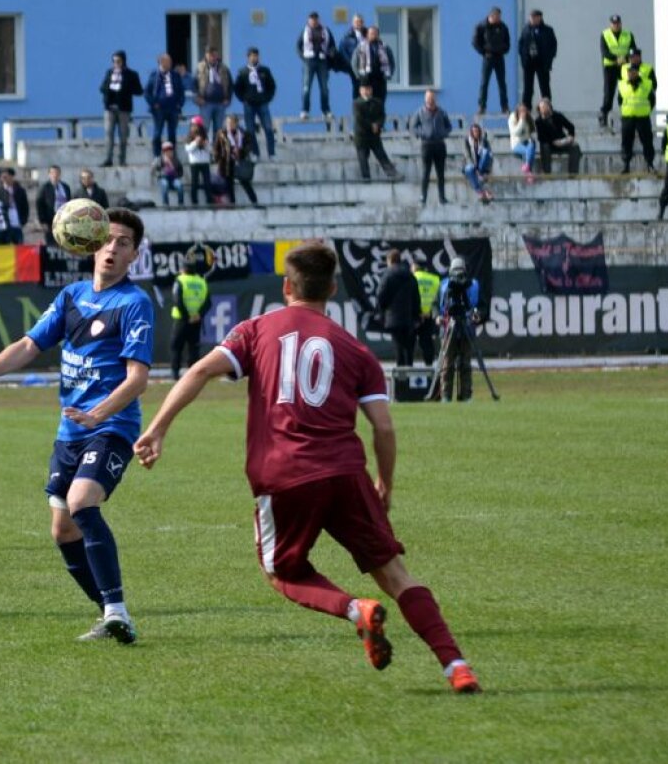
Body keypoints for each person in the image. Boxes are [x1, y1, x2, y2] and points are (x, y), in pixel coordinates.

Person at [133, 241, 482, 694]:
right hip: (346, 472)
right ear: (333, 289)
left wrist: (157, 429)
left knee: (281, 571)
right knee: (395, 574)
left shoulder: (256, 330)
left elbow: (199, 371)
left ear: (286, 287)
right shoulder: (355, 350)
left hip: (285, 473)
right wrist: (385, 483)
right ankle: (456, 665)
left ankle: (356, 610)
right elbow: (383, 427)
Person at [0, 208, 154, 644]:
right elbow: (28, 345)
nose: (112, 248)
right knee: (62, 530)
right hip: (70, 430)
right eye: (107, 239)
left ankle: (117, 609)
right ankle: (111, 615)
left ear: (135, 254)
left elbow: (137, 378)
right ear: (91, 244)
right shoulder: (72, 296)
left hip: (111, 426)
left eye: (123, 243)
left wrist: (99, 414)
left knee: (81, 503)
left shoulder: (135, 303)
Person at [437, 257, 481, 402]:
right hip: (448, 327)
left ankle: (466, 395)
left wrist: (477, 314)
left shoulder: (473, 285)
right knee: (447, 363)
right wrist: (438, 316)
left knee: (465, 363)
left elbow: (481, 305)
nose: (458, 276)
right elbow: (436, 305)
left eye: (460, 272)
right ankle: (446, 395)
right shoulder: (444, 285)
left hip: (466, 326)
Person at [376, 249, 421, 366]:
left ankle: (400, 374)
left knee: (398, 348)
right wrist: (416, 316)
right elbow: (416, 298)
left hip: (393, 318)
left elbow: (380, 295)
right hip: (409, 318)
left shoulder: (388, 275)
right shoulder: (410, 275)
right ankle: (409, 371)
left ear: (390, 260)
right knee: (408, 349)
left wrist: (382, 312)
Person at [169, 255, 211, 379]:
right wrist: (199, 315)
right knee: (193, 348)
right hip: (196, 321)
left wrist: (187, 316)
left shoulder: (180, 280)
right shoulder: (201, 281)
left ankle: (175, 374)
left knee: (176, 346)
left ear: (183, 268)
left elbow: (177, 301)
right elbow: (208, 303)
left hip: (182, 320)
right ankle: (193, 375)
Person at [99, 50, 142, 167]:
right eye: (114, 61)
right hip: (110, 108)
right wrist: (109, 86)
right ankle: (108, 159)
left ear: (123, 61)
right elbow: (102, 88)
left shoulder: (131, 74)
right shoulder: (109, 73)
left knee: (123, 135)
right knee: (109, 133)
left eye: (118, 61)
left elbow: (139, 90)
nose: (116, 63)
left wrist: (125, 88)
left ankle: (122, 159)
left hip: (124, 109)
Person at [409, 90, 452, 205]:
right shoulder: (420, 112)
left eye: (432, 97)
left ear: (435, 99)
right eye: (428, 97)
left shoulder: (442, 112)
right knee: (426, 173)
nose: (430, 100)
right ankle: (423, 197)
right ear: (425, 99)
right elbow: (413, 127)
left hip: (440, 145)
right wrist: (423, 134)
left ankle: (442, 198)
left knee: (440, 174)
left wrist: (443, 133)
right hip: (426, 145)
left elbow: (449, 126)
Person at [233, 47, 276, 160]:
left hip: (262, 103)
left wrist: (267, 98)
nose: (254, 58)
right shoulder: (242, 72)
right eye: (252, 56)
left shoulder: (264, 71)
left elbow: (272, 86)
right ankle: (255, 153)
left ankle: (272, 153)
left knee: (268, 128)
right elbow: (237, 88)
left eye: (256, 56)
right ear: (248, 57)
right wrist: (244, 99)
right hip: (249, 105)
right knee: (250, 130)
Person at [352, 78, 397, 181]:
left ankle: (393, 174)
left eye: (368, 89)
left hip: (374, 136)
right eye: (364, 89)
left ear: (371, 90)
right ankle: (366, 179)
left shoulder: (377, 102)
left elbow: (382, 116)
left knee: (382, 155)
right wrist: (372, 126)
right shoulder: (356, 103)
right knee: (363, 159)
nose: (366, 91)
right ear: (360, 91)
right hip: (361, 136)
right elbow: (360, 119)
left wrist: (378, 125)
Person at [296, 12, 336, 121]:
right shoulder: (305, 31)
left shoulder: (326, 30)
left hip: (322, 61)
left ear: (319, 20)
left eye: (315, 20)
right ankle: (305, 110)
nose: (314, 22)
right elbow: (298, 46)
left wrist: (331, 53)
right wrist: (303, 57)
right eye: (311, 20)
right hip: (309, 61)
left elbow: (332, 45)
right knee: (306, 87)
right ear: (308, 21)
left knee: (324, 88)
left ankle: (326, 110)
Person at [144, 53, 184, 158]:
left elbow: (181, 91)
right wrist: (153, 104)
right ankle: (157, 156)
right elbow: (147, 92)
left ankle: (172, 156)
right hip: (159, 110)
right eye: (168, 61)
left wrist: (179, 104)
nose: (170, 63)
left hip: (173, 109)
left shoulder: (175, 75)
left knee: (172, 134)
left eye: (170, 61)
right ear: (161, 62)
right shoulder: (154, 75)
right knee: (157, 134)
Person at [213, 114, 258, 206]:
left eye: (231, 123)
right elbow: (216, 148)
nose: (229, 125)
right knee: (229, 185)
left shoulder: (243, 133)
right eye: (227, 123)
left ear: (236, 123)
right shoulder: (221, 134)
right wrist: (218, 158)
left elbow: (249, 146)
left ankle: (254, 201)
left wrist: (240, 151)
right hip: (226, 163)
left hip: (240, 162)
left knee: (245, 183)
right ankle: (232, 204)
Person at [472, 7, 510, 115]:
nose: (498, 18)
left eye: (499, 16)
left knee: (502, 82)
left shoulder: (503, 27)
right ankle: (482, 106)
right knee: (484, 82)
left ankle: (504, 106)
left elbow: (507, 42)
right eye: (497, 16)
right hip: (488, 58)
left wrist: (503, 50)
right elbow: (475, 42)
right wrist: (483, 52)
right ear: (491, 16)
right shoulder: (481, 26)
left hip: (499, 57)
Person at [618, 64, 655, 174]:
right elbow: (620, 100)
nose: (631, 74)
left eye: (633, 71)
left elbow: (652, 100)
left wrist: (646, 110)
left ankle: (649, 163)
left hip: (643, 117)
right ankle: (626, 165)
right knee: (626, 141)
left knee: (647, 141)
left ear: (637, 72)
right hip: (628, 117)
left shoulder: (647, 84)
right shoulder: (622, 85)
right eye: (629, 72)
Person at [599, 15, 634, 127]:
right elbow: (605, 52)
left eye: (618, 23)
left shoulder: (628, 34)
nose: (616, 25)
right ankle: (604, 116)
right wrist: (617, 59)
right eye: (614, 23)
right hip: (610, 66)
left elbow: (633, 50)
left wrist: (625, 58)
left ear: (621, 23)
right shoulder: (605, 34)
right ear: (610, 24)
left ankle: (625, 115)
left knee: (625, 91)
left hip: (624, 66)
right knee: (609, 92)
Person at [517, 9, 557, 108]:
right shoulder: (526, 29)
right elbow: (521, 45)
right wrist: (523, 58)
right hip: (529, 62)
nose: (532, 19)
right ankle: (526, 108)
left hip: (542, 63)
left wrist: (549, 59)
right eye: (531, 17)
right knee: (528, 87)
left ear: (540, 18)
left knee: (544, 86)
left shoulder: (548, 30)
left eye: (535, 17)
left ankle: (547, 107)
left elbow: (553, 46)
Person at [535, 98, 582, 175]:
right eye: (541, 108)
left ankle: (573, 174)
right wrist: (553, 142)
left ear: (549, 107)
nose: (543, 110)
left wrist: (570, 137)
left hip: (562, 142)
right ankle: (547, 174)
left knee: (575, 147)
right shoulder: (538, 121)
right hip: (549, 144)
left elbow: (571, 126)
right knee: (544, 147)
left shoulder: (558, 116)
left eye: (544, 107)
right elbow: (541, 137)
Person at [194, 46, 232, 140]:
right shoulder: (200, 67)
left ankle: (216, 148)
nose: (213, 57)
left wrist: (228, 98)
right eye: (210, 55)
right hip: (205, 104)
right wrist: (198, 98)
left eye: (215, 55)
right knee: (204, 128)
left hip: (221, 104)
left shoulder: (224, 68)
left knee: (219, 130)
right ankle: (203, 148)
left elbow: (231, 85)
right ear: (206, 55)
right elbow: (194, 85)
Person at [411, 261, 441, 366]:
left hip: (414, 316)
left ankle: (407, 368)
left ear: (414, 268)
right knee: (427, 343)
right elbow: (439, 298)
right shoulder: (435, 279)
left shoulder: (411, 278)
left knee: (409, 344)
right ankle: (429, 367)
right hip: (429, 315)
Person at [352, 26, 393, 101]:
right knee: (365, 101)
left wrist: (388, 74)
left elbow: (391, 62)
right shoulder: (360, 47)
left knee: (380, 101)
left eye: (375, 34)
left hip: (380, 78)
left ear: (378, 35)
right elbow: (354, 62)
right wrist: (358, 76)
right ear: (367, 35)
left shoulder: (385, 47)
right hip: (366, 78)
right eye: (371, 34)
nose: (373, 35)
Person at [36, 165, 71, 245]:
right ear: (49, 174)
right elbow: (39, 204)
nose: (55, 175)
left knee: (64, 243)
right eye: (53, 173)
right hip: (50, 221)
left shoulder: (65, 187)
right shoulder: (44, 187)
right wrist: (42, 221)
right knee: (51, 245)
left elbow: (69, 202)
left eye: (57, 173)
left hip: (63, 221)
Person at [462, 123, 494, 202]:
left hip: (482, 165)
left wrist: (488, 169)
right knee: (469, 169)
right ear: (471, 132)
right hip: (471, 164)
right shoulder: (467, 141)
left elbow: (490, 155)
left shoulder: (484, 141)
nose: (476, 133)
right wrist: (475, 167)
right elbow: (467, 156)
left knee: (486, 152)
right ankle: (481, 192)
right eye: (474, 131)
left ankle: (481, 176)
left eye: (477, 131)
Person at [184, 118, 212, 206]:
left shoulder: (205, 136)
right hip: (194, 163)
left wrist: (205, 145)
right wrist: (195, 143)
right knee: (194, 182)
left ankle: (210, 200)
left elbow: (210, 150)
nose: (193, 127)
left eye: (195, 125)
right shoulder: (189, 136)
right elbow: (188, 149)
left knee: (207, 182)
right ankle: (194, 201)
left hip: (205, 162)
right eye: (192, 125)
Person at [507, 103, 537, 183]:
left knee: (531, 146)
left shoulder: (529, 118)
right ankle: (528, 171)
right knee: (529, 151)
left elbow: (532, 132)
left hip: (527, 143)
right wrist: (521, 120)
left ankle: (527, 168)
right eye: (521, 110)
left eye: (524, 110)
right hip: (516, 144)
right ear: (517, 111)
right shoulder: (513, 117)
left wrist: (531, 138)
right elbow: (515, 132)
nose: (523, 112)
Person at [153, 141, 185, 206]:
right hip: (163, 178)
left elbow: (181, 172)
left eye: (170, 150)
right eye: (166, 150)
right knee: (165, 185)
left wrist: (173, 168)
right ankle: (166, 203)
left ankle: (181, 203)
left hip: (174, 179)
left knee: (179, 185)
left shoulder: (176, 160)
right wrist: (161, 171)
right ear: (163, 151)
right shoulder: (159, 159)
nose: (168, 152)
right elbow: (155, 171)